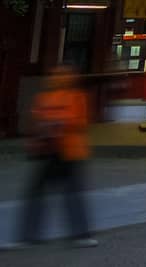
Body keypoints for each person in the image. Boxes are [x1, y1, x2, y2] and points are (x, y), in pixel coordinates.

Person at [12, 66, 96, 249]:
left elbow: (79, 121)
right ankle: (29, 235)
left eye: (63, 75)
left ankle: (80, 233)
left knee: (72, 195)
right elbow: (35, 120)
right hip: (49, 150)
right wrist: (37, 136)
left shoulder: (76, 97)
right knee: (38, 194)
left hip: (70, 151)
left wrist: (56, 123)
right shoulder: (43, 98)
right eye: (55, 75)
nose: (58, 78)